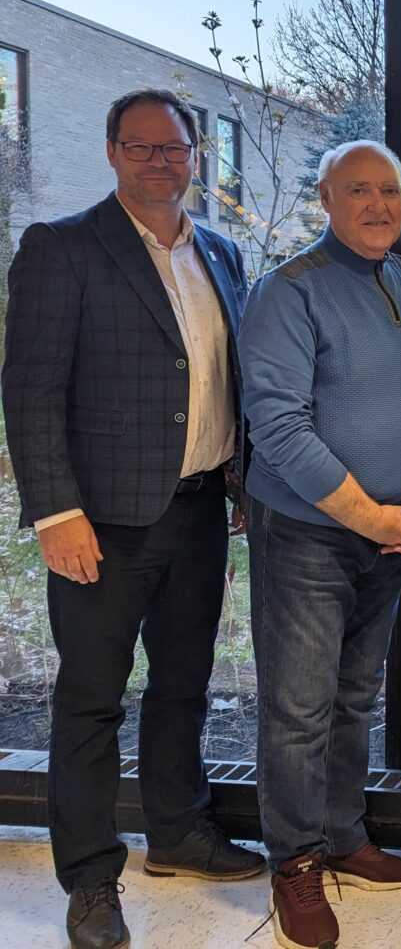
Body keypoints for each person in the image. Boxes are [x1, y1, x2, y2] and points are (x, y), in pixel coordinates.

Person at [1, 88, 263, 949]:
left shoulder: (221, 255)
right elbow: (31, 389)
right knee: (89, 703)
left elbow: (230, 383)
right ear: (113, 152)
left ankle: (179, 833)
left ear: (196, 156)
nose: (162, 161)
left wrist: (240, 482)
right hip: (101, 524)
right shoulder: (63, 247)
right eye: (142, 147)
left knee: (183, 688)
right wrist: (55, 514)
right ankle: (89, 882)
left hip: (194, 516)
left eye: (175, 148)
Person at [240, 140, 401, 949]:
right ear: (323, 197)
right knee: (298, 708)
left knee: (354, 696)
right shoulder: (286, 292)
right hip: (312, 536)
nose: (378, 205)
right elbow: (278, 425)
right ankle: (294, 864)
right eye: (357, 189)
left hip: (395, 535)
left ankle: (343, 833)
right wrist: (370, 515)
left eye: (389, 191)